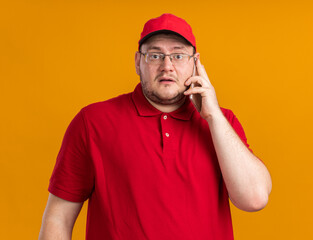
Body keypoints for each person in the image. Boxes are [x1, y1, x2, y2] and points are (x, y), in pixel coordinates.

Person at [39, 13, 272, 240]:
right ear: (138, 62)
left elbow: (254, 199)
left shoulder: (222, 123)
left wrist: (213, 116)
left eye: (178, 56)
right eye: (155, 55)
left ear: (196, 64)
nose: (167, 66)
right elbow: (58, 218)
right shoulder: (92, 122)